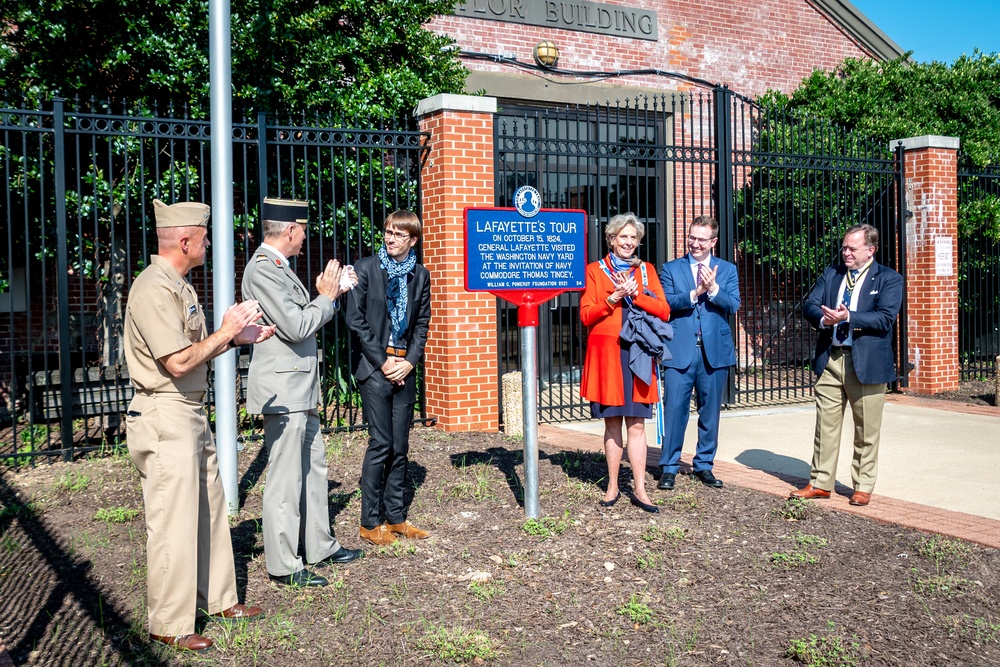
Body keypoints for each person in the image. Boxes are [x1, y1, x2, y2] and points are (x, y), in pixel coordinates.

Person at [124, 199, 275, 652]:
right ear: (185, 240)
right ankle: (168, 625)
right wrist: (227, 330)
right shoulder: (153, 288)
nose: (209, 242)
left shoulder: (178, 285)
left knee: (208, 509)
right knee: (173, 520)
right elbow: (176, 362)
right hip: (164, 412)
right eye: (204, 236)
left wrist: (236, 339)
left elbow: (197, 352)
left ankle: (219, 599)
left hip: (188, 412)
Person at [241, 198, 364, 588]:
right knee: (285, 478)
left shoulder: (279, 268)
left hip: (298, 388)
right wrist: (328, 296)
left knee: (313, 469)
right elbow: (297, 327)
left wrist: (331, 295)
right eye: (303, 230)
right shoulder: (264, 269)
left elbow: (301, 318)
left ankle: (320, 545)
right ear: (290, 230)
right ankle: (283, 564)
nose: (305, 237)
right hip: (284, 390)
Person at [791, 224, 903, 507]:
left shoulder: (889, 279)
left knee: (866, 430)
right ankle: (820, 482)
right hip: (831, 358)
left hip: (866, 363)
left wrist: (848, 316)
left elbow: (885, 318)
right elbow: (810, 305)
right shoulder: (832, 274)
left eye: (852, 248)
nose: (846, 253)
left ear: (870, 250)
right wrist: (824, 319)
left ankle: (863, 486)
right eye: (844, 247)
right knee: (825, 426)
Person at [346, 210, 432, 546]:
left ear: (413, 240)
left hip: (404, 369)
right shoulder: (366, 269)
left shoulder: (420, 275)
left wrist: (410, 362)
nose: (390, 238)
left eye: (398, 234)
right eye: (387, 232)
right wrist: (384, 363)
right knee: (380, 443)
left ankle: (395, 517)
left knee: (400, 445)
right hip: (375, 369)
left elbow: (422, 323)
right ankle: (370, 522)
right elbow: (357, 322)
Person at [580, 212, 671, 513]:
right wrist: (614, 297)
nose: (629, 242)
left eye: (633, 238)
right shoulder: (594, 271)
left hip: (638, 353)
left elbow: (664, 310)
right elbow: (585, 315)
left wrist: (638, 295)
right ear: (611, 239)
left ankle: (641, 489)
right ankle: (613, 485)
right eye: (623, 237)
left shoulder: (645, 271)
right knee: (612, 424)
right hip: (608, 355)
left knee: (637, 425)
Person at [657, 215, 741, 491]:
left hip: (713, 352)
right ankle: (669, 466)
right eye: (691, 237)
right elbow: (666, 302)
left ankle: (704, 465)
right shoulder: (671, 268)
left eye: (701, 239)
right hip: (680, 350)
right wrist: (696, 292)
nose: (694, 243)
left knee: (710, 413)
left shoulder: (726, 270)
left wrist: (714, 289)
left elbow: (733, 305)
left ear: (713, 241)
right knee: (675, 411)